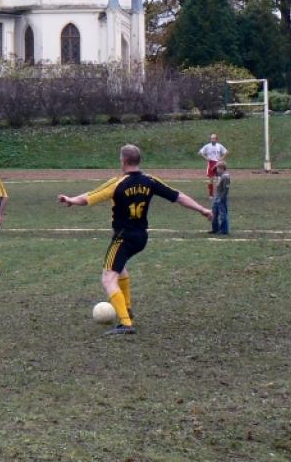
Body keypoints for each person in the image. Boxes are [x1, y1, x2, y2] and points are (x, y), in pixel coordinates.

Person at [58, 144, 212, 335]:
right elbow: (178, 196)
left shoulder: (118, 183)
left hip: (123, 237)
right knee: (120, 268)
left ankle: (125, 323)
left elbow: (90, 197)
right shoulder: (150, 181)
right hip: (141, 236)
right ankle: (127, 309)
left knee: (108, 278)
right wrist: (203, 209)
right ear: (138, 161)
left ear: (123, 161)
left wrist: (72, 200)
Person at [198, 133, 228, 198]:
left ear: (217, 139)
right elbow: (200, 152)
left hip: (218, 164)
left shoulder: (219, 146)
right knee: (210, 180)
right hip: (211, 163)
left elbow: (226, 152)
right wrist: (206, 158)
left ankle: (220, 194)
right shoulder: (207, 146)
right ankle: (211, 195)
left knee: (219, 180)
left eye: (214, 138)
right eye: (211, 138)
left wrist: (221, 158)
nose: (212, 139)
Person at [210, 161, 230, 236]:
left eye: (218, 168)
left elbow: (226, 189)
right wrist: (215, 166)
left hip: (221, 198)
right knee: (214, 213)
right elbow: (213, 171)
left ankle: (224, 230)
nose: (216, 170)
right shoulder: (220, 175)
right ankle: (215, 229)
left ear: (222, 168)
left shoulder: (226, 177)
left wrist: (222, 198)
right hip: (216, 197)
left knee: (223, 214)